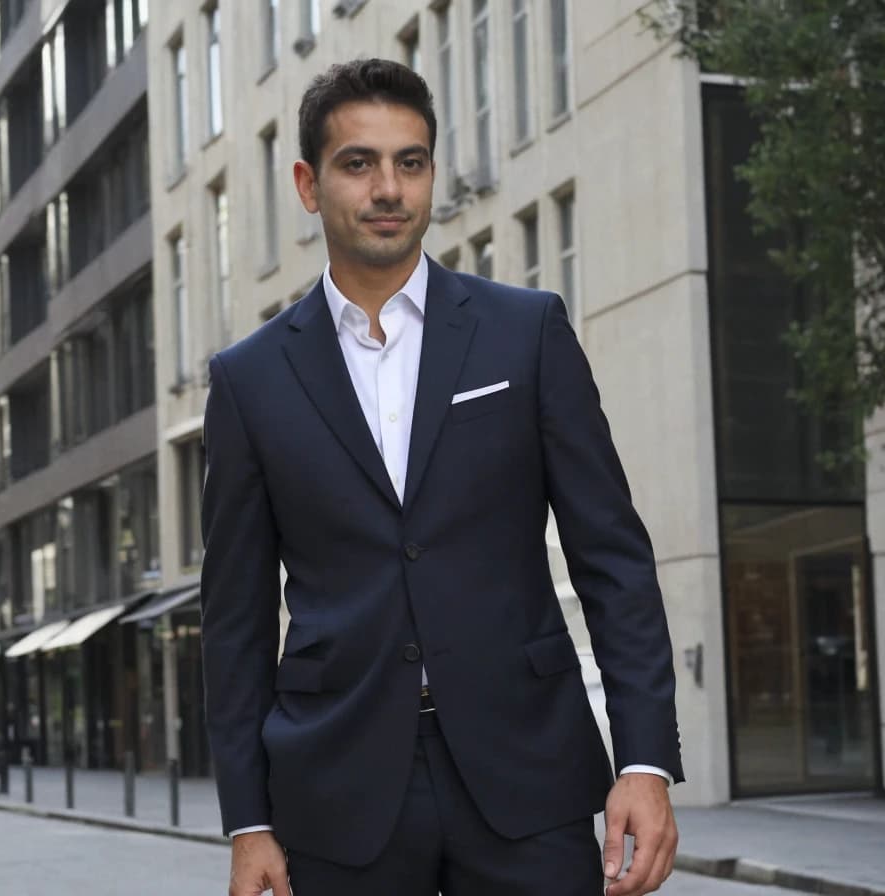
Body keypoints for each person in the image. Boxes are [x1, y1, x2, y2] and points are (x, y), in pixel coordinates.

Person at [199, 59, 683, 896]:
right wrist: (248, 821)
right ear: (309, 184)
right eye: (359, 164)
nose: (389, 187)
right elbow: (234, 621)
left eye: (410, 162)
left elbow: (613, 558)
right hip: (335, 792)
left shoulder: (524, 333)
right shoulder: (249, 381)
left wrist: (644, 760)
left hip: (528, 774)